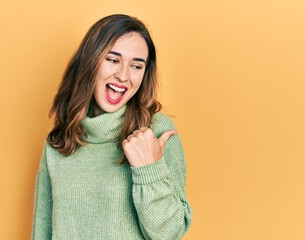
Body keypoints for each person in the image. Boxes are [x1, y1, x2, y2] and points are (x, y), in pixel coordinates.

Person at [31, 14, 192, 240]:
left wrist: (149, 169)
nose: (123, 75)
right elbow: (43, 231)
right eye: (113, 60)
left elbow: (169, 233)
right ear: (90, 62)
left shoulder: (156, 132)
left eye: (136, 66)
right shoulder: (59, 140)